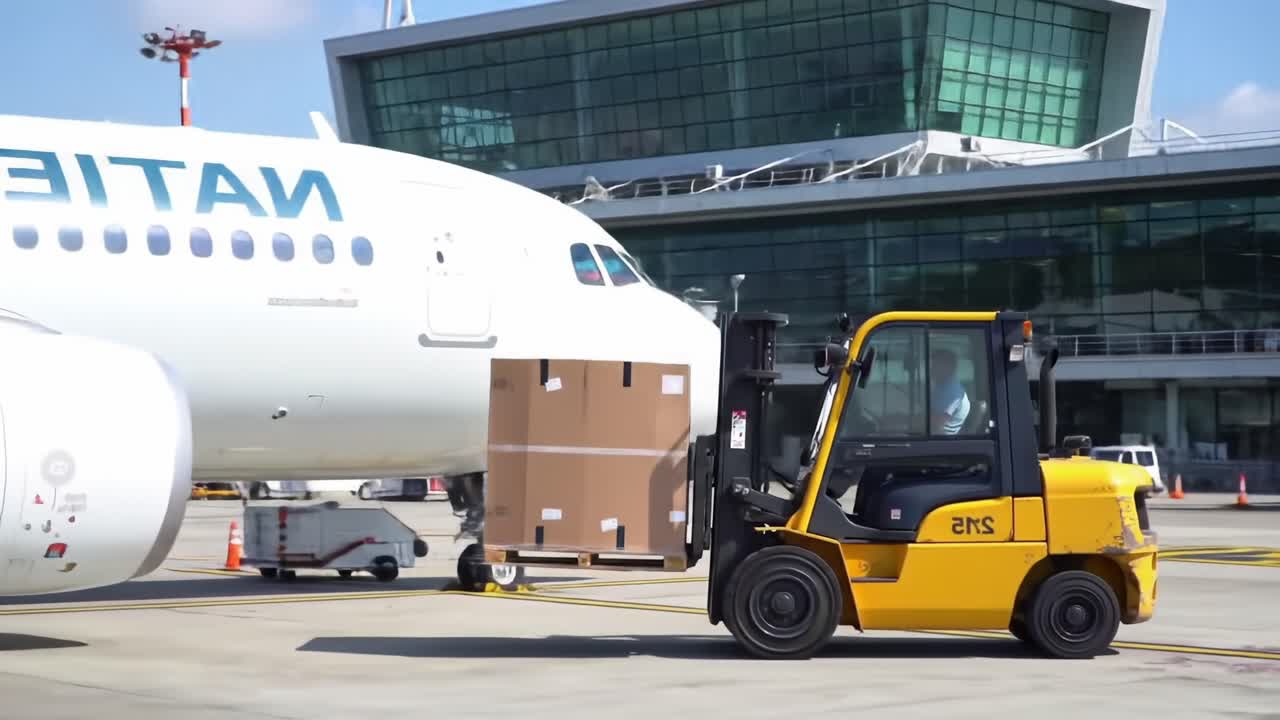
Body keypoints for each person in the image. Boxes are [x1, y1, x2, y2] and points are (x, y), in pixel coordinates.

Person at [930, 348, 970, 435]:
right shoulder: (941, 386)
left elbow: (937, 424)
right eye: (932, 365)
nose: (931, 370)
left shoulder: (953, 391)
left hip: (943, 440)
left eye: (935, 366)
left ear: (948, 368)